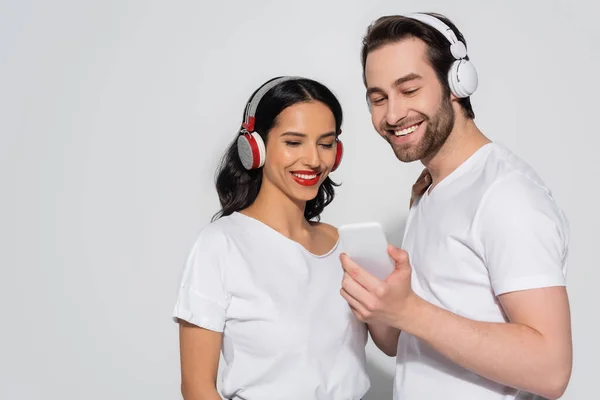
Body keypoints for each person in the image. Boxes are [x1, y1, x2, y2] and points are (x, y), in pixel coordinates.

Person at [339, 12, 572, 400]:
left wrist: (409, 310)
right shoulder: (430, 192)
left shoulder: (506, 195)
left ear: (457, 82)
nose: (392, 115)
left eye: (409, 90)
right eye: (378, 98)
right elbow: (404, 344)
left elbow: (552, 369)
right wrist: (380, 305)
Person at [172, 76, 371, 400]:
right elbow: (196, 388)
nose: (314, 159)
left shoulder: (347, 245)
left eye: (325, 143)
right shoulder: (220, 245)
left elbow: (390, 342)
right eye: (294, 142)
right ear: (255, 148)